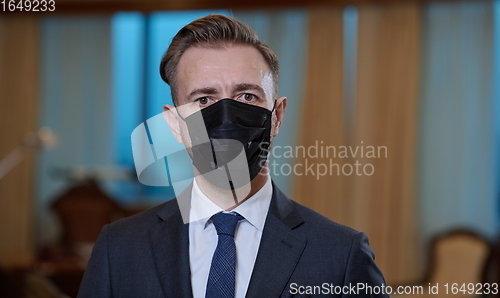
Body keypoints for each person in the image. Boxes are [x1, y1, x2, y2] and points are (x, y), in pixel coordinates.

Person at [77, 14, 388, 298]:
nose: (226, 116)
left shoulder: (341, 254)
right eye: (203, 99)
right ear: (175, 124)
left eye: (246, 96)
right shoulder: (118, 248)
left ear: (277, 115)